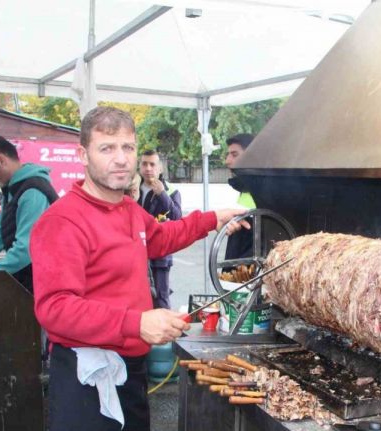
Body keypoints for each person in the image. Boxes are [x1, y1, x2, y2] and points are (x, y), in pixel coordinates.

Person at [29, 106, 248, 431]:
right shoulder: (63, 221)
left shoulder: (127, 208)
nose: (121, 159)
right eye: (107, 148)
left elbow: (159, 238)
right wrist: (136, 323)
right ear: (83, 155)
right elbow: (55, 308)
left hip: (131, 369)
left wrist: (211, 220)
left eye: (127, 147)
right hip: (86, 375)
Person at [0, 136, 58, 291]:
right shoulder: (13, 188)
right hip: (26, 277)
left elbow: (26, 248)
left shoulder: (33, 191)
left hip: (41, 282)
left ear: (1, 160)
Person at [137, 150, 182, 309]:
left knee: (161, 298)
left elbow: (177, 217)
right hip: (137, 253)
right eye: (144, 164)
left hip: (160, 254)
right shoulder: (132, 189)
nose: (148, 168)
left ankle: (167, 332)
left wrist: (162, 194)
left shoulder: (171, 191)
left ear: (160, 168)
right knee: (140, 297)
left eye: (152, 164)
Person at [224, 133, 256, 261]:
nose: (227, 160)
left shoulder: (263, 191)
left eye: (234, 155)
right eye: (228, 154)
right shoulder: (244, 189)